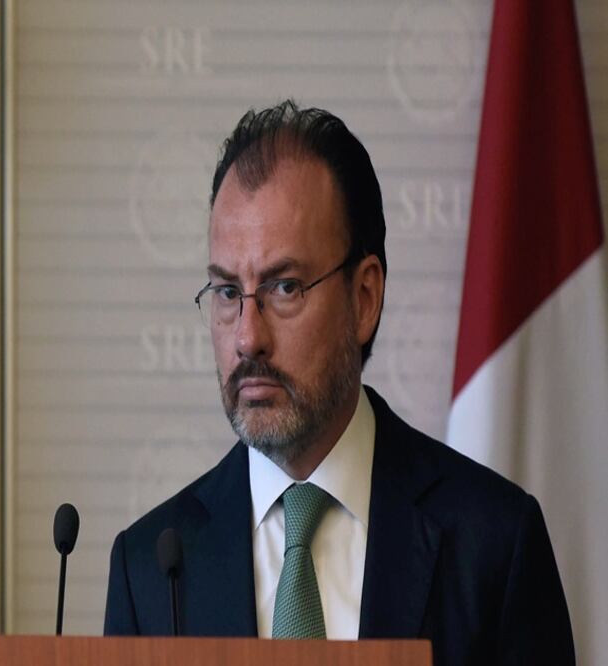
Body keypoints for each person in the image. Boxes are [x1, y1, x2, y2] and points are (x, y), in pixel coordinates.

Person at [103, 101, 574, 664]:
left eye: (285, 288)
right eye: (228, 293)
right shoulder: (149, 569)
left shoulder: (494, 542)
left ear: (364, 298)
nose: (247, 338)